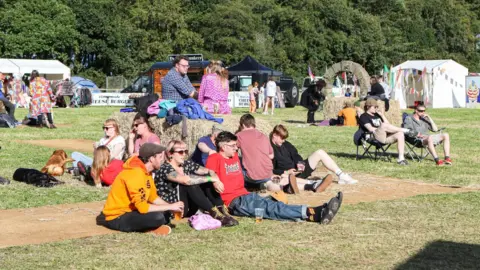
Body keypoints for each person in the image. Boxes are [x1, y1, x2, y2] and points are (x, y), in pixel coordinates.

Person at [206, 131, 343, 224]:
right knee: (271, 209)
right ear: (223, 147)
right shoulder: (214, 158)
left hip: (246, 195)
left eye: (237, 145)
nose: (237, 148)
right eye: (233, 146)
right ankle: (313, 211)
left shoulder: (233, 155)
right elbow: (208, 173)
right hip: (234, 201)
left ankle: (314, 214)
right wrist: (215, 179)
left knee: (275, 205)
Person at [97, 143, 184, 235]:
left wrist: (172, 207)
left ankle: (150, 227)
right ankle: (150, 229)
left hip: (132, 211)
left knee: (165, 214)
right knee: (158, 217)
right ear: (151, 159)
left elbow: (153, 198)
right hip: (116, 217)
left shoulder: (146, 172)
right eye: (160, 157)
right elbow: (142, 208)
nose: (163, 159)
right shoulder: (135, 174)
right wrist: (170, 207)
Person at [154, 140, 238, 227]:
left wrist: (215, 179)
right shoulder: (165, 169)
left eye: (185, 151)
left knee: (206, 180)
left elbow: (209, 171)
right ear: (170, 154)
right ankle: (214, 214)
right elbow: (185, 180)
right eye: (180, 152)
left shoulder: (186, 164)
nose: (184, 155)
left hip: (189, 207)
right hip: (174, 210)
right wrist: (210, 178)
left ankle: (221, 211)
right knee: (191, 182)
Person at [271, 125, 358, 186]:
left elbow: (296, 155)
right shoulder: (269, 148)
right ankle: (312, 183)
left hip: (298, 170)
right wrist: (286, 172)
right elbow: (271, 170)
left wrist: (300, 166)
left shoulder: (286, 144)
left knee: (320, 152)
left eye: (284, 138)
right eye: (282, 138)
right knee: (282, 177)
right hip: (286, 174)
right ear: (275, 135)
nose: (283, 141)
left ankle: (341, 175)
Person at [236, 114, 297, 192]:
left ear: (243, 125)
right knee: (267, 181)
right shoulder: (263, 136)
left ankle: (256, 185)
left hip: (251, 176)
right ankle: (279, 186)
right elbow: (271, 156)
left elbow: (231, 152)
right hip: (268, 173)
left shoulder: (239, 135)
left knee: (235, 168)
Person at [359, 98, 410, 165]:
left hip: (383, 136)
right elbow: (370, 129)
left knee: (400, 134)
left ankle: (401, 159)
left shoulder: (377, 115)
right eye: (375, 107)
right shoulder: (364, 116)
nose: (376, 108)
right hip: (373, 136)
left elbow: (388, 125)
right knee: (383, 125)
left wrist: (382, 115)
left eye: (377, 107)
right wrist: (382, 128)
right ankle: (405, 130)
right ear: (368, 106)